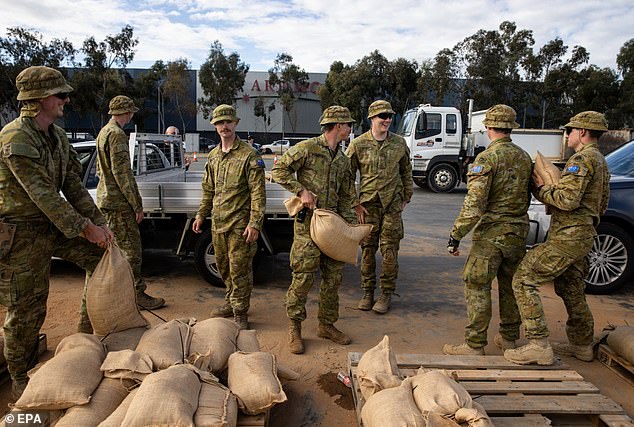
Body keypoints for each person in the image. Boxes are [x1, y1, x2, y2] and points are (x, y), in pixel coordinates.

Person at [0, 66, 113, 399]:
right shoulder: (15, 137)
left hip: (52, 224)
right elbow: (43, 194)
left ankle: (83, 335)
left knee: (101, 257)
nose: (66, 100)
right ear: (39, 99)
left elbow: (73, 187)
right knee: (26, 306)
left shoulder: (58, 137)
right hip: (20, 232)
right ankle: (20, 373)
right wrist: (83, 227)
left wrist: (99, 224)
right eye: (60, 95)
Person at [504, 111, 610, 365]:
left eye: (570, 130)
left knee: (523, 278)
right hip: (583, 235)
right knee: (570, 288)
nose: (568, 135)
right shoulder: (601, 161)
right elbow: (602, 203)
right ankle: (582, 345)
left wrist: (541, 189)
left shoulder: (581, 161)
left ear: (582, 132)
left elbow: (567, 200)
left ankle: (538, 344)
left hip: (568, 237)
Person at [442, 105, 532, 356]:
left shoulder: (487, 158)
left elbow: (475, 203)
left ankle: (474, 344)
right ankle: (510, 338)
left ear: (488, 127)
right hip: (518, 232)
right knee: (510, 285)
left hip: (492, 234)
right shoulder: (524, 157)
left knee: (477, 283)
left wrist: (456, 234)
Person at [272, 105, 357, 354]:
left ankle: (326, 325)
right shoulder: (308, 149)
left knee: (333, 279)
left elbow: (347, 195)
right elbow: (278, 170)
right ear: (338, 126)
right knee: (303, 277)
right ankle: (294, 328)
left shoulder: (342, 160)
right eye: (347, 124)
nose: (350, 128)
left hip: (333, 228)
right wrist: (301, 191)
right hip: (307, 225)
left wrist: (350, 228)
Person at [192, 105, 266, 330]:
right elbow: (208, 189)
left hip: (240, 225)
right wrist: (201, 214)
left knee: (239, 269)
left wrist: (255, 223)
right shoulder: (213, 156)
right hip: (218, 223)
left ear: (235, 123)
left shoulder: (249, 155)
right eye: (220, 123)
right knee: (223, 267)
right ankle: (230, 301)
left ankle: (241, 312)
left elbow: (257, 193)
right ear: (215, 126)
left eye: (228, 122)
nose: (224, 126)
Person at [95, 95, 166, 310]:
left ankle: (119, 295)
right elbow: (122, 174)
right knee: (131, 252)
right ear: (127, 113)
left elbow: (101, 170)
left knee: (116, 252)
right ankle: (136, 295)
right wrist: (136, 204)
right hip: (118, 204)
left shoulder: (103, 132)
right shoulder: (116, 135)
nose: (132, 115)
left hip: (107, 199)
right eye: (131, 111)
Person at [346, 100, 413, 314]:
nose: (387, 120)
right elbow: (346, 175)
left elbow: (406, 171)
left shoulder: (399, 143)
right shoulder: (358, 144)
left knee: (390, 251)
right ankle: (367, 292)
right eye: (382, 116)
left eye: (389, 116)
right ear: (372, 118)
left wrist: (406, 196)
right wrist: (354, 203)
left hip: (392, 205)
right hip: (368, 206)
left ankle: (386, 294)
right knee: (367, 250)